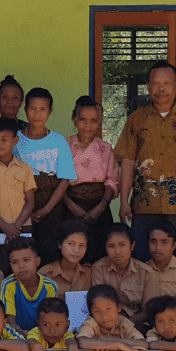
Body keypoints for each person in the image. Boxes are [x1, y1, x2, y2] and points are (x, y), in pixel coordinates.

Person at [115, 60, 176, 267]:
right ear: (148, 87)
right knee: (142, 261)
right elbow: (128, 161)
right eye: (156, 83)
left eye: (166, 83)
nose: (161, 88)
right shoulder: (136, 119)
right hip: (143, 205)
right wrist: (124, 200)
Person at [15, 87, 75, 261]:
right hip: (22, 207)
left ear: (50, 112)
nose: (37, 114)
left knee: (50, 250)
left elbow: (64, 179)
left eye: (42, 109)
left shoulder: (58, 140)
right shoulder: (16, 139)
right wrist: (27, 208)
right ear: (25, 110)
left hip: (52, 207)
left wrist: (47, 208)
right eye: (32, 108)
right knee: (24, 251)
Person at [64, 96, 118, 262]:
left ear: (100, 122)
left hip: (99, 209)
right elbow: (58, 182)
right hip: (71, 208)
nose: (88, 125)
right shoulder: (65, 146)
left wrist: (101, 206)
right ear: (75, 120)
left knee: (100, 252)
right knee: (73, 251)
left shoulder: (105, 148)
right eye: (83, 120)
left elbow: (112, 180)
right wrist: (72, 206)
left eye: (93, 120)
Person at [0, 118, 36, 242]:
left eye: (4, 140)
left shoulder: (25, 169)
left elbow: (30, 201)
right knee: (1, 260)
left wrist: (16, 226)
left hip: (23, 227)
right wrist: (5, 226)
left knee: (24, 258)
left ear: (15, 140)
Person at [0, 237, 59, 340]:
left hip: (43, 337)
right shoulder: (8, 284)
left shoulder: (50, 285)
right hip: (17, 338)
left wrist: (36, 337)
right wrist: (25, 334)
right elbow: (10, 323)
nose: (21, 266)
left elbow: (51, 321)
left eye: (26, 260)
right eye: (15, 262)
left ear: (37, 261)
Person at [90, 223, 146, 324]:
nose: (117, 251)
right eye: (111, 246)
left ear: (132, 246)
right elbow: (99, 303)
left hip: (135, 323)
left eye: (122, 245)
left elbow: (147, 311)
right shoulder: (98, 268)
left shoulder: (146, 272)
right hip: (105, 322)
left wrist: (124, 325)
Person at [137, 220, 176, 304]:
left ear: (174, 245)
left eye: (164, 242)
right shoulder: (141, 271)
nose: (158, 247)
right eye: (153, 241)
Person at [40, 219, 92, 295]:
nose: (76, 250)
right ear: (60, 244)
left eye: (82, 245)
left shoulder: (89, 273)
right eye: (71, 244)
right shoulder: (45, 274)